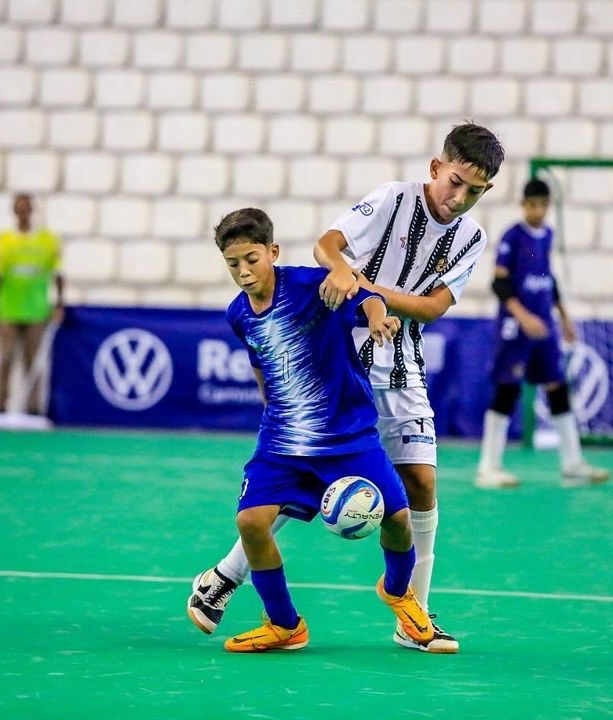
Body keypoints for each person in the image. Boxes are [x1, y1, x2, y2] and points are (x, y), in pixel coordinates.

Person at [189, 123, 505, 654]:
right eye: (454, 182)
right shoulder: (391, 199)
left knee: (421, 483)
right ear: (436, 168)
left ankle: (413, 613)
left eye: (473, 191)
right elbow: (328, 246)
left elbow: (430, 307)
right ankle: (228, 575)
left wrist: (363, 284)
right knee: (305, 471)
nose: (459, 198)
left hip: (399, 357)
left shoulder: (471, 238)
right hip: (338, 350)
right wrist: (344, 275)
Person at [197, 207, 436, 654]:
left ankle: (399, 592)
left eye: (251, 258)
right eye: (233, 264)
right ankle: (286, 625)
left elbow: (364, 294)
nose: (244, 272)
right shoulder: (238, 315)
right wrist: (271, 405)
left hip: (347, 435)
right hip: (283, 441)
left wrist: (378, 314)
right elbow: (260, 362)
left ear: (273, 251)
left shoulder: (311, 286)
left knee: (400, 521)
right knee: (250, 522)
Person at [474, 178, 610, 489]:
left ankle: (572, 462)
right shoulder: (513, 237)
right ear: (523, 205)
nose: (537, 210)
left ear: (548, 206)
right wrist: (522, 316)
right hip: (516, 327)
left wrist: (563, 317)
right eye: (532, 205)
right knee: (507, 390)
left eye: (542, 205)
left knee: (558, 387)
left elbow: (549, 278)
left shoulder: (548, 235)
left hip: (545, 328)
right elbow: (499, 283)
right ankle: (488, 466)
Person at [0, 193, 64, 415]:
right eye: (18, 208)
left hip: (37, 309)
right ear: (14, 211)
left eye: (26, 208)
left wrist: (58, 304)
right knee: (6, 358)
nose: (22, 212)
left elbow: (58, 273)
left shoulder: (47, 240)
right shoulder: (6, 239)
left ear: (32, 210)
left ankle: (33, 407)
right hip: (8, 309)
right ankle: (1, 404)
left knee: (34, 362)